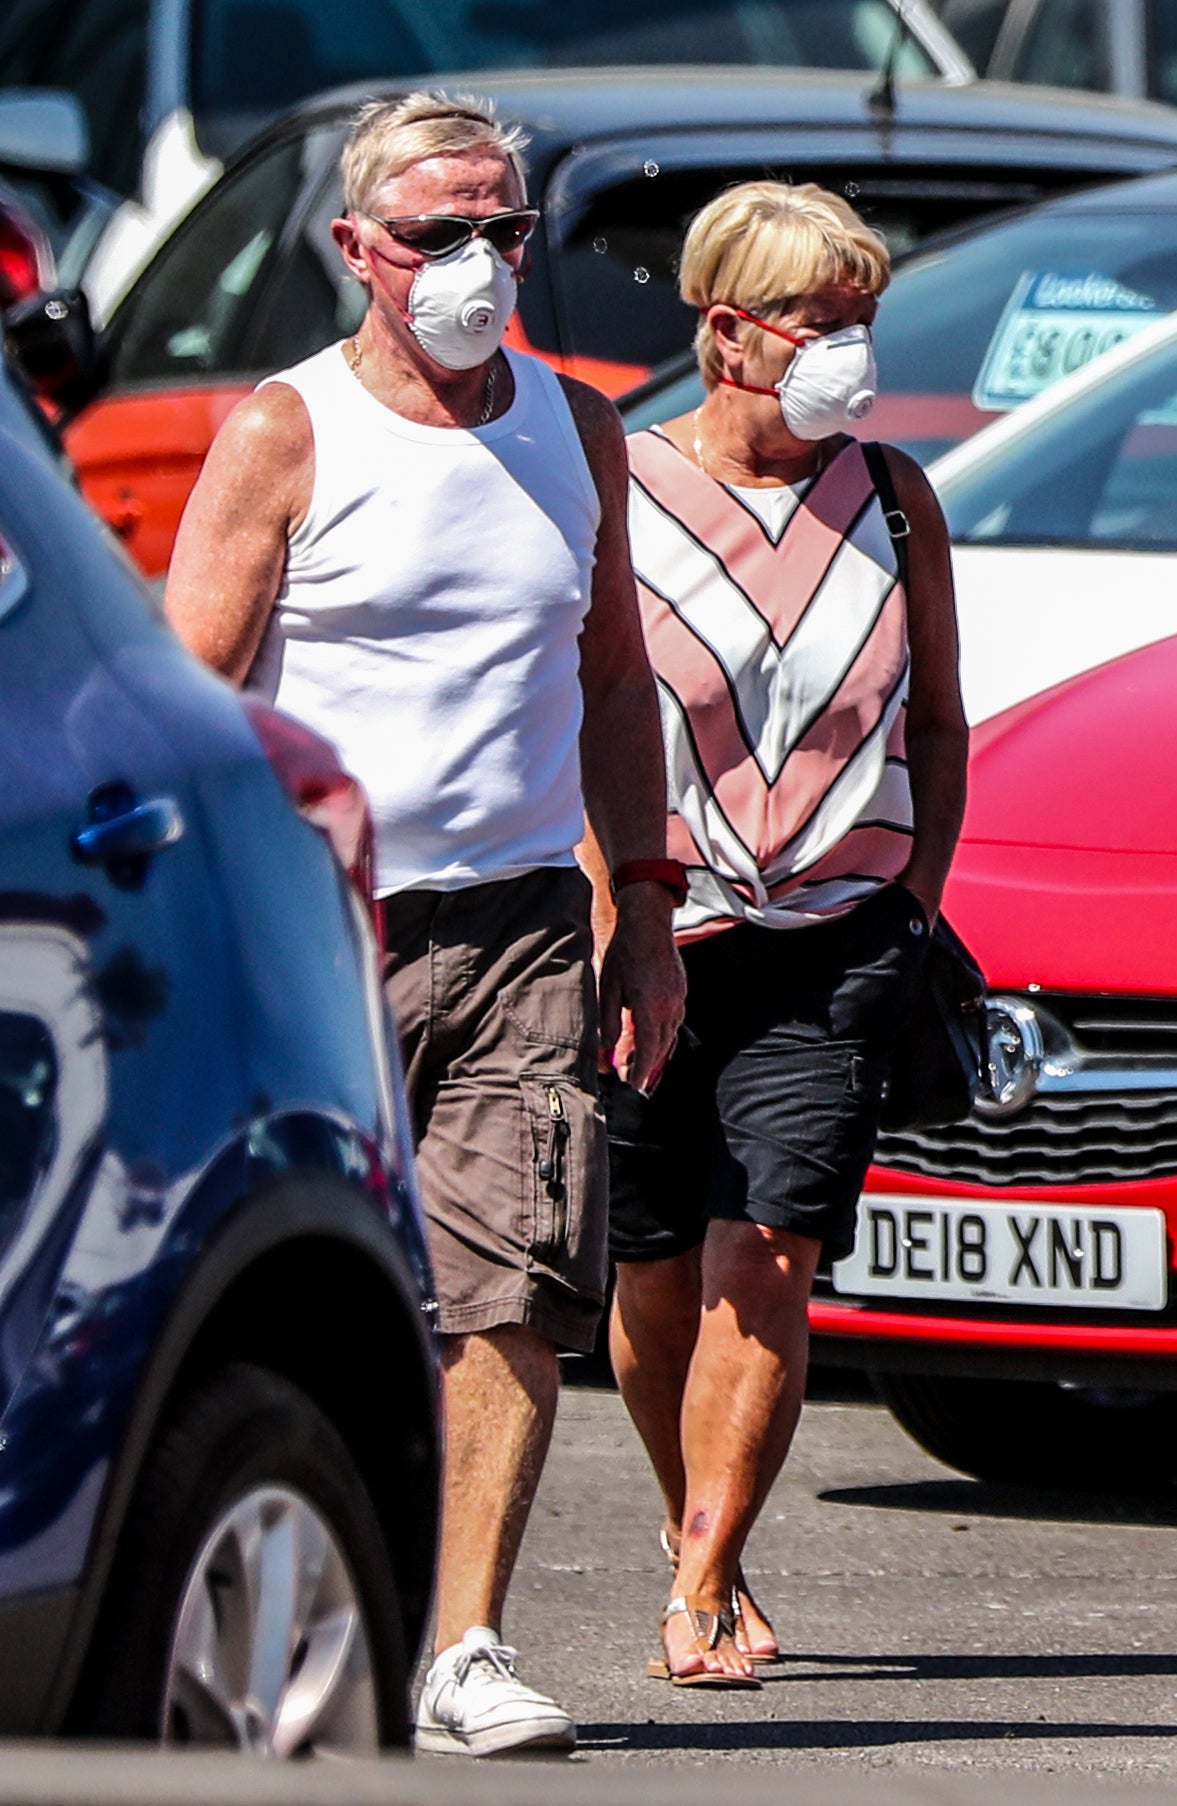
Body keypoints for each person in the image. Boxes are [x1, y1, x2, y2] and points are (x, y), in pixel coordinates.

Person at [162, 92, 687, 1755]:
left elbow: (614, 679)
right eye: (436, 234)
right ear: (357, 252)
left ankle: (462, 1641)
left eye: (503, 232)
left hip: (528, 923)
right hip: (328, 934)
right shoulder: (285, 434)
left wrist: (648, 901)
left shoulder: (575, 429)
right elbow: (193, 703)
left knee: (512, 1286)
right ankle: (295, 1604)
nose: (474, 264)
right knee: (304, 1285)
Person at [602, 181, 965, 1687]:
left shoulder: (891, 496)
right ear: (727, 331)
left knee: (770, 1243)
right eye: (819, 323)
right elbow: (572, 712)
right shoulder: (613, 485)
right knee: (651, 1275)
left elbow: (940, 716)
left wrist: (918, 892)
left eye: (861, 321)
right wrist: (618, 905)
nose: (846, 353)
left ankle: (696, 1578)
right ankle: (707, 1532)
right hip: (649, 930)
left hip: (834, 935)